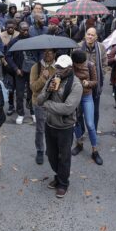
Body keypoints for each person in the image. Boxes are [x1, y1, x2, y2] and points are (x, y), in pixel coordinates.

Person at [37, 55, 83, 198]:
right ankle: (59, 176)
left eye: (62, 68)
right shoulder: (52, 78)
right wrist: (48, 91)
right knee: (51, 155)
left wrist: (47, 105)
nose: (58, 70)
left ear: (69, 69)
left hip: (65, 127)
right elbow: (39, 100)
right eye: (57, 67)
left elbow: (67, 108)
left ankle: (63, 183)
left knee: (64, 157)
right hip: (50, 124)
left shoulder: (76, 85)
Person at [71, 50, 103, 165]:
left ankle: (95, 150)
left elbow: (95, 81)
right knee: (76, 122)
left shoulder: (90, 65)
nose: (80, 66)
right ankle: (79, 144)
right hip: (74, 97)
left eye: (82, 63)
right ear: (74, 62)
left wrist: (88, 83)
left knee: (90, 124)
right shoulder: (70, 67)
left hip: (86, 96)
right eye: (78, 64)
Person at [6, 22, 38, 124]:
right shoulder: (14, 41)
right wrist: (15, 68)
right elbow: (8, 56)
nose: (26, 32)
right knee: (19, 94)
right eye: (23, 30)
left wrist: (38, 66)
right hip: (20, 71)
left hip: (32, 70)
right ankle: (20, 113)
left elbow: (39, 53)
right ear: (18, 29)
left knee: (32, 93)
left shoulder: (33, 40)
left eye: (27, 29)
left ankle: (33, 112)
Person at [30, 49, 57, 165]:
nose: (46, 54)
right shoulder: (36, 67)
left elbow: (59, 87)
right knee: (40, 129)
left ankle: (51, 149)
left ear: (54, 54)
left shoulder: (59, 67)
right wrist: (43, 78)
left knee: (52, 128)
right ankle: (40, 150)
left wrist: (52, 80)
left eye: (49, 52)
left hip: (53, 103)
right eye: (44, 52)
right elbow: (33, 88)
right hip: (39, 102)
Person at [79, 27, 107, 132]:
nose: (90, 36)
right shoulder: (78, 47)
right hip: (81, 83)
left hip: (95, 84)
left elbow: (105, 64)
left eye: (92, 35)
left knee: (95, 110)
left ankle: (93, 132)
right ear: (85, 35)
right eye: (88, 34)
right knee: (79, 111)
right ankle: (81, 133)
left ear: (96, 37)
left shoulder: (101, 48)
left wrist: (100, 76)